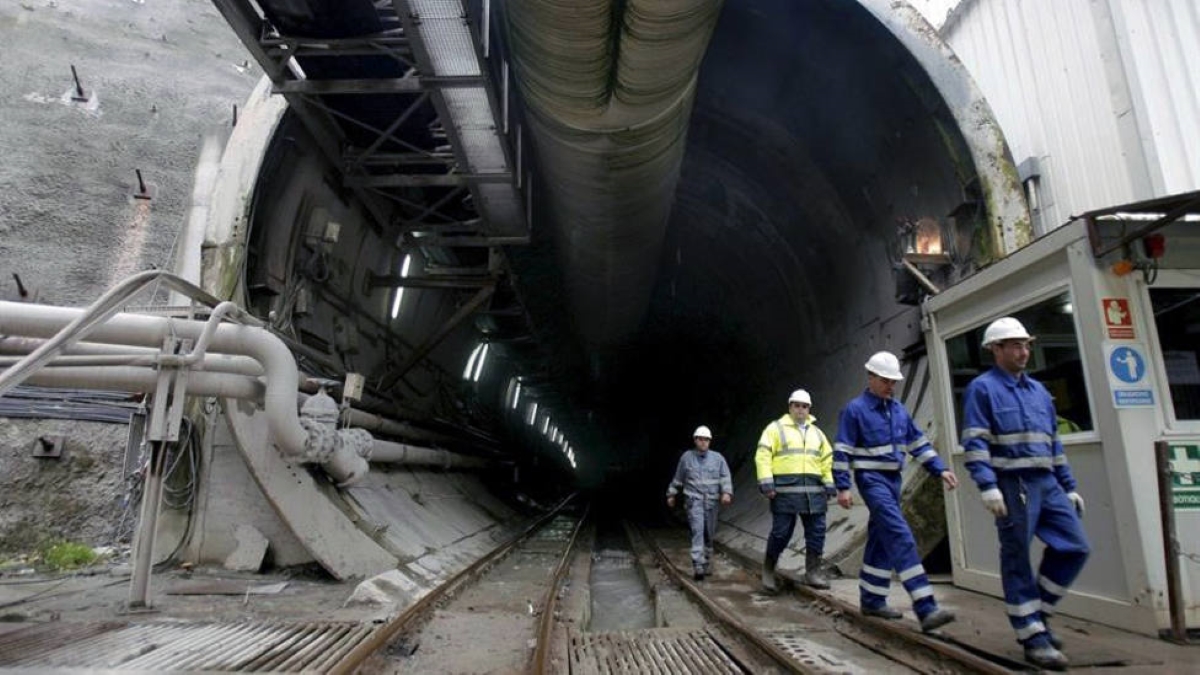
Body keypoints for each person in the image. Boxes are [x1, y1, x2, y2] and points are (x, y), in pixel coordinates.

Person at [961, 317, 1090, 671]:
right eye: (1015, 345)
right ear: (996, 350)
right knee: (1017, 557)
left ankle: (1039, 615)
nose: (1024, 351)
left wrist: (1069, 486)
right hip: (1013, 484)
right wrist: (987, 485)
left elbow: (1054, 443)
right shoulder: (983, 390)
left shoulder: (1038, 392)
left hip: (1047, 483)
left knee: (1075, 546)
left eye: (1027, 344)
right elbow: (975, 443)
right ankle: (1032, 637)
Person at [834, 351, 958, 632]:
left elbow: (918, 444)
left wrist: (940, 469)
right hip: (872, 481)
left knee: (880, 538)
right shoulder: (855, 410)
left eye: (894, 381)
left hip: (894, 481)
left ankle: (872, 600)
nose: (891, 386)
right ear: (871, 377)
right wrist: (842, 486)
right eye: (886, 380)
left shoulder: (898, 410)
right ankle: (926, 608)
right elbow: (842, 450)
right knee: (900, 535)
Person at [755, 389, 834, 593]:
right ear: (790, 407)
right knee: (781, 533)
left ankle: (813, 572)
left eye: (804, 406)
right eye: (797, 405)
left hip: (814, 494)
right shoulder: (775, 429)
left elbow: (826, 460)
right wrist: (766, 482)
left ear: (809, 409)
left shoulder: (817, 434)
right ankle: (769, 568)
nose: (801, 409)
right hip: (785, 493)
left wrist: (829, 482)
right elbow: (763, 455)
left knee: (816, 534)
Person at [666, 425, 733, 580]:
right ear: (695, 440)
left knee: (708, 534)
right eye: (700, 439)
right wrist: (671, 494)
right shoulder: (686, 458)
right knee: (697, 531)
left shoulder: (718, 458)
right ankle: (698, 564)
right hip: (694, 501)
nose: (703, 442)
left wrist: (726, 493)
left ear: (710, 441)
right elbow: (678, 478)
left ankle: (707, 561)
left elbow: (725, 477)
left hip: (712, 502)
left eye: (706, 440)